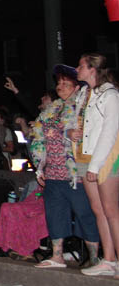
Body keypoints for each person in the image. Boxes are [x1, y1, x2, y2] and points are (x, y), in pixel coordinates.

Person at [27, 64, 100, 269]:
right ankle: (57, 255)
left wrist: (71, 133)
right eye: (58, 83)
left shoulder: (82, 109)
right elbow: (39, 138)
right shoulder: (52, 109)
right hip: (53, 173)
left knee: (85, 214)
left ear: (77, 87)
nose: (61, 86)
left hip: (75, 173)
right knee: (55, 214)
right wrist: (40, 167)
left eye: (66, 83)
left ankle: (95, 258)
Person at [71, 53, 119, 277]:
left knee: (111, 210)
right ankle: (108, 260)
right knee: (98, 209)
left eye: (80, 65)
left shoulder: (110, 94)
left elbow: (110, 132)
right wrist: (71, 132)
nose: (77, 69)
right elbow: (77, 123)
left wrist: (95, 166)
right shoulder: (83, 93)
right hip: (85, 155)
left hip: (105, 157)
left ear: (92, 69)